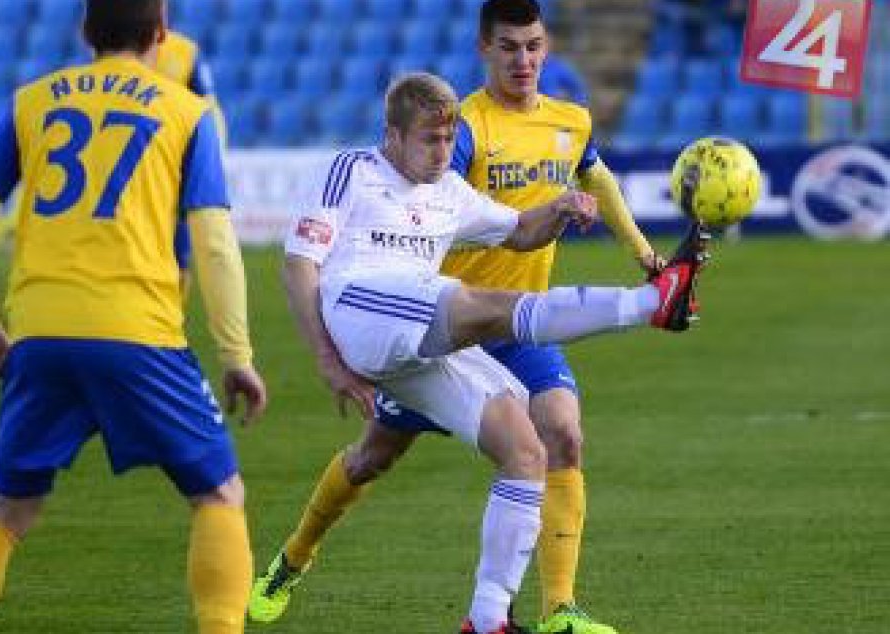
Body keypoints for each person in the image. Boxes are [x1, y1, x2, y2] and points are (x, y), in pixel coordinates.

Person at [252, 1, 672, 633]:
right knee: (463, 329)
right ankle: (291, 558)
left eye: (448, 140)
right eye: (431, 139)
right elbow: (300, 264)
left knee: (529, 446)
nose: (444, 151)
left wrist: (563, 211)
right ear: (391, 137)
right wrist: (328, 361)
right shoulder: (353, 171)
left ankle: (492, 620)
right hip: (374, 319)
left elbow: (519, 230)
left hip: (438, 336)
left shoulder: (453, 189)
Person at [0, 1, 267, 633]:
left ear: (85, 31)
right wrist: (237, 356)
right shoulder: (186, 112)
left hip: (39, 334)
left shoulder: (31, 101)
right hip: (138, 333)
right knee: (220, 495)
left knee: (8, 509)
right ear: (161, 34)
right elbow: (215, 240)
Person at [152, 28, 227, 295]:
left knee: (180, 236)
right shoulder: (112, 49)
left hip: (175, 158)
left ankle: (174, 307)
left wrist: (213, 150)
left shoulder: (186, 51)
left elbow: (208, 105)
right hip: (137, 157)